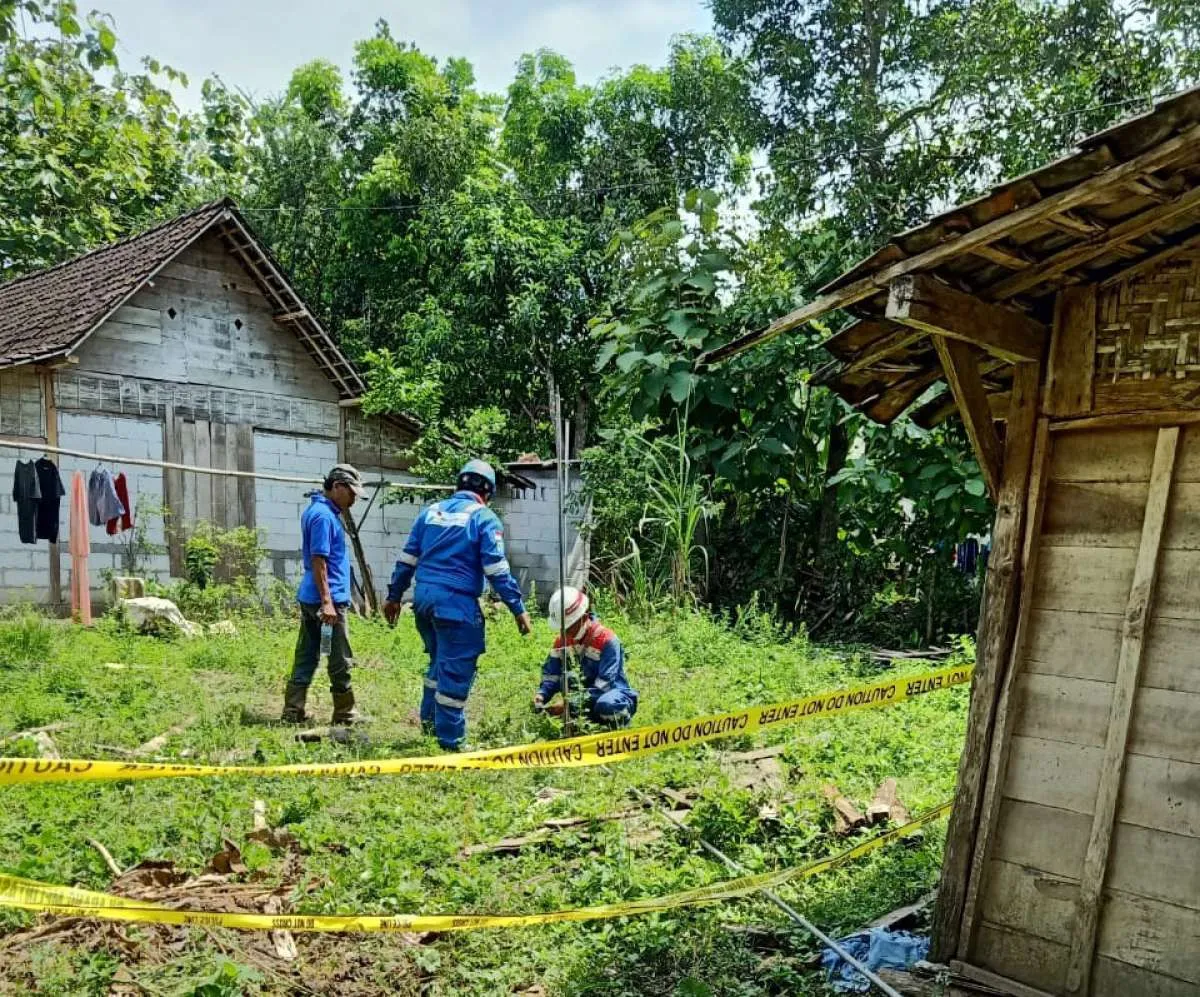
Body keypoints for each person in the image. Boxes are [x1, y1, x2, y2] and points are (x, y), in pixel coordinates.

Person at [384, 459, 532, 750]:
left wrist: (393, 596)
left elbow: (407, 560)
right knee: (456, 670)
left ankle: (429, 728)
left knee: (439, 663)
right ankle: (451, 743)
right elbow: (496, 570)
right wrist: (518, 608)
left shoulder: (430, 513)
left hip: (424, 602)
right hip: (456, 604)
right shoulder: (484, 519)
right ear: (487, 491)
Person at [281, 464, 366, 725]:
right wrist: (328, 603)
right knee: (340, 656)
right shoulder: (323, 516)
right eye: (351, 493)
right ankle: (345, 713)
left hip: (314, 597)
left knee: (307, 653)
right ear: (338, 487)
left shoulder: (320, 511)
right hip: (325, 602)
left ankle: (293, 711)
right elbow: (319, 560)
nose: (353, 500)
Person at [534, 586, 638, 727]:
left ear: (583, 618)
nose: (565, 633)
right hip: (579, 700)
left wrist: (569, 704)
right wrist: (542, 695)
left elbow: (604, 684)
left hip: (611, 695)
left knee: (607, 705)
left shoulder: (607, 640)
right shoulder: (562, 642)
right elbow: (552, 674)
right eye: (562, 628)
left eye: (569, 627)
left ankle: (621, 731)